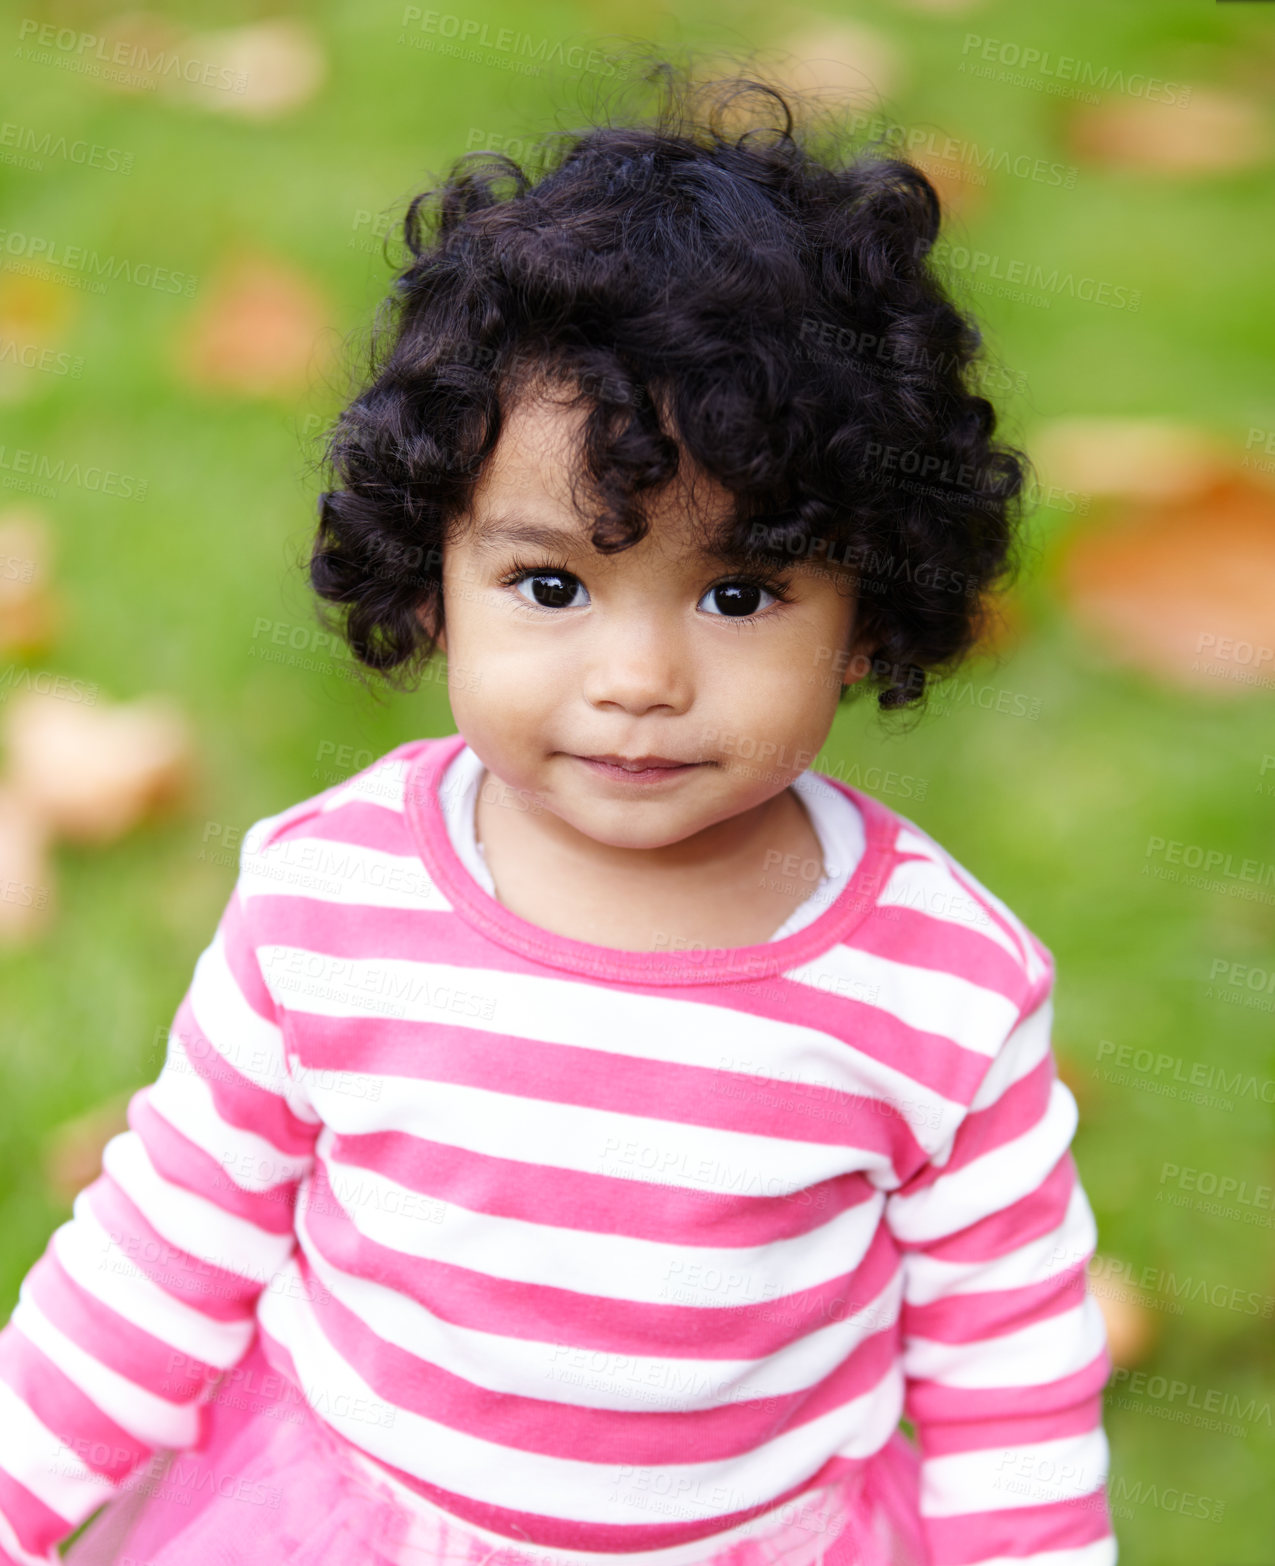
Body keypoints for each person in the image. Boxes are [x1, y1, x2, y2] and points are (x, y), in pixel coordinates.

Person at [0, 61, 1116, 1566]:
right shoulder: (330, 903)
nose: (640, 677)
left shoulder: (941, 988)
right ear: (431, 576)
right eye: (551, 584)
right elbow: (160, 1253)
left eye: (738, 592)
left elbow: (1012, 1387)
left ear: (869, 605)